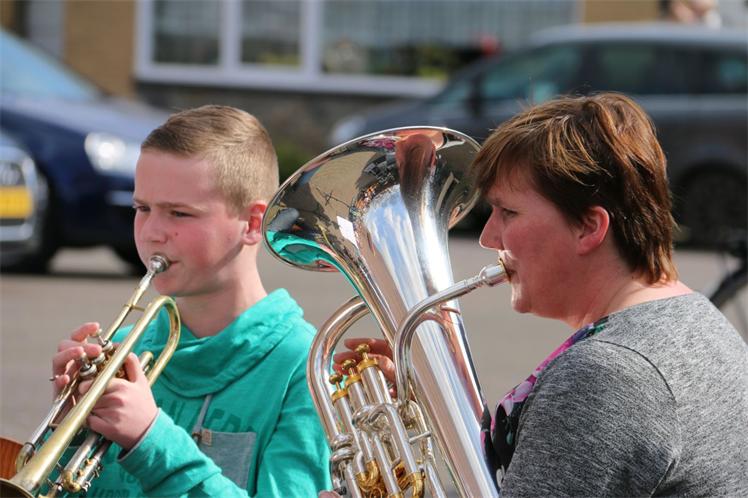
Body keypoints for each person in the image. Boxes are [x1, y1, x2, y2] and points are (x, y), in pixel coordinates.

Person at [327, 92, 748, 496]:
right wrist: (437, 406)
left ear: (589, 227)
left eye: (508, 212)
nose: (489, 238)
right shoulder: (697, 321)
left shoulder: (605, 377)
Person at [51, 105, 331, 497]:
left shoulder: (305, 370)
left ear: (253, 223)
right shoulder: (124, 350)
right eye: (142, 208)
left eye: (180, 213)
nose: (152, 232)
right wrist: (67, 430)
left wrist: (150, 440)